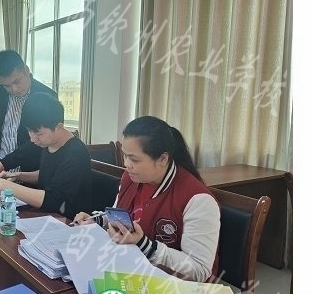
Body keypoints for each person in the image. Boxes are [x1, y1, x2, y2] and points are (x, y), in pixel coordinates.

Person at [72, 116, 220, 283]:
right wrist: (97, 220)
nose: (126, 164)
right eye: (125, 156)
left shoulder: (198, 199)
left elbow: (200, 270)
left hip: (174, 288)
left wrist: (145, 245)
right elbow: (122, 216)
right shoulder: (131, 178)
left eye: (134, 159)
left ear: (162, 159)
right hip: (132, 270)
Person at [0, 92, 93, 220]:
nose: (32, 139)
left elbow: (55, 200)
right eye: (29, 131)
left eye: (39, 133)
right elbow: (48, 174)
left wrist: (5, 186)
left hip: (69, 221)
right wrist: (18, 176)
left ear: (58, 127)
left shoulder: (75, 153)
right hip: (46, 215)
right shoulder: (50, 142)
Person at [0, 49, 57, 177]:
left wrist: (6, 163)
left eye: (17, 81)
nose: (14, 89)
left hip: (30, 173)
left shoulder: (47, 97)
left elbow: (39, 140)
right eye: (7, 86)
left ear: (26, 70)